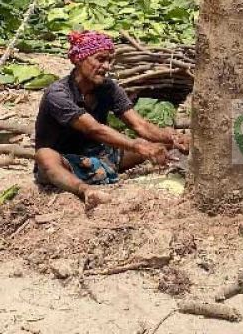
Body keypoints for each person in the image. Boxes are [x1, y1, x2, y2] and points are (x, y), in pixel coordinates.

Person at [34, 31, 189, 211]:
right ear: (79, 60)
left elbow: (140, 124)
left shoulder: (108, 88)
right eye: (100, 59)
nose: (106, 66)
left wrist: (172, 138)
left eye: (109, 60)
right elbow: (94, 129)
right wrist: (138, 146)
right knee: (44, 156)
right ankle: (85, 190)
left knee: (171, 141)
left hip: (103, 157)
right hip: (67, 163)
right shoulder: (58, 94)